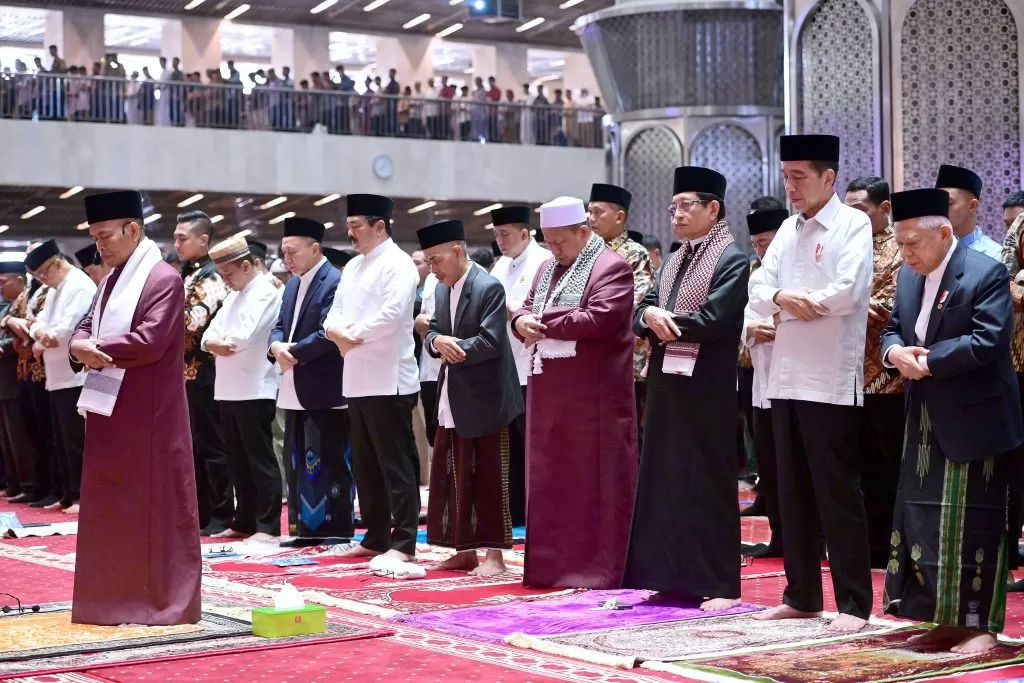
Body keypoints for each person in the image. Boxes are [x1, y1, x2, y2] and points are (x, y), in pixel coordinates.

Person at [881, 188, 1023, 654]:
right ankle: (940, 618)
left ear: (944, 233)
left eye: (913, 243)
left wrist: (929, 361)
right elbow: (893, 327)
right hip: (922, 417)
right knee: (923, 522)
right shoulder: (907, 275)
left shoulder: (985, 272)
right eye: (899, 243)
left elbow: (989, 339)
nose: (905, 253)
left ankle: (980, 625)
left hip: (975, 418)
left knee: (974, 524)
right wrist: (893, 351)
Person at [748, 134, 874, 633]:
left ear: (829, 177)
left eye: (799, 177)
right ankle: (801, 594)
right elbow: (760, 287)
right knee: (790, 491)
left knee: (836, 491)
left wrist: (796, 303)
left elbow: (849, 289)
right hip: (784, 376)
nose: (791, 187)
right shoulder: (785, 229)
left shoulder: (853, 223)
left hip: (829, 380)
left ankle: (853, 604)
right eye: (786, 177)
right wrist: (784, 296)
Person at [69, 189, 201, 625]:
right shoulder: (110, 282)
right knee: (113, 506)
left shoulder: (164, 279)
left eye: (105, 235)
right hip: (111, 410)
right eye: (95, 237)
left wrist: (92, 348)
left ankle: (158, 601)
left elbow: (149, 342)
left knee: (154, 507)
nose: (99, 245)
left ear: (133, 229)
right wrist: (78, 344)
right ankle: (111, 598)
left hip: (151, 416)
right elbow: (86, 325)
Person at [624, 166, 749, 608]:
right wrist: (649, 318)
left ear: (713, 209)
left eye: (686, 206)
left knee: (708, 479)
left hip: (706, 386)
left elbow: (716, 320)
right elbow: (644, 308)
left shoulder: (732, 258)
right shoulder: (676, 257)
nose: (676, 214)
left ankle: (719, 583)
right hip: (666, 381)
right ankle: (669, 575)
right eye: (673, 206)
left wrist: (663, 321)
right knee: (665, 476)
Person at [511, 196, 637, 589]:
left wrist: (540, 321)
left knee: (590, 481)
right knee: (549, 481)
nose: (554, 250)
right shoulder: (547, 268)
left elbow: (599, 319)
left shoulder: (611, 267)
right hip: (549, 394)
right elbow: (524, 309)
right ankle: (551, 569)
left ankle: (594, 571)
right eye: (548, 242)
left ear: (584, 232)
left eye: (560, 242)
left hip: (593, 401)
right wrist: (520, 322)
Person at [418, 219, 523, 576]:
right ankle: (463, 551)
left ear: (457, 252)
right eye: (428, 261)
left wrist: (451, 345)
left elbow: (492, 341)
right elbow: (432, 333)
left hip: (487, 396)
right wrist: (435, 341)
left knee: (489, 474)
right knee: (452, 474)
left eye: (436, 260)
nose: (432, 268)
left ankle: (495, 556)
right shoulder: (440, 288)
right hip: (453, 392)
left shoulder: (488, 287)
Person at [326, 194, 421, 562]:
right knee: (365, 464)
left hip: (389, 377)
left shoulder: (398, 264)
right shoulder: (351, 267)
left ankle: (405, 541)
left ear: (379, 226)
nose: (350, 233)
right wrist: (336, 332)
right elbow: (332, 313)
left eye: (355, 226)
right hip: (356, 375)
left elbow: (394, 314)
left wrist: (351, 335)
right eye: (348, 226)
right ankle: (376, 535)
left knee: (395, 463)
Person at [268, 216, 352, 547]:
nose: (287, 260)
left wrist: (295, 353)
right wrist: (276, 347)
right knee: (297, 460)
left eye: (292, 252)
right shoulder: (291, 284)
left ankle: (335, 527)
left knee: (329, 460)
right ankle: (305, 529)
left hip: (324, 383)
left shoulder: (334, 281)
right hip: (292, 383)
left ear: (314, 248)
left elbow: (329, 331)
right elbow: (279, 325)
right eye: (284, 252)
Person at [202, 235, 283, 540]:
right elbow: (209, 334)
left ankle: (267, 525)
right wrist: (214, 342)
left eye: (229, 274)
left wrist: (220, 342)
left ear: (247, 265)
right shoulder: (234, 295)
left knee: (258, 459)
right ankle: (244, 520)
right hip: (229, 387)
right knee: (237, 460)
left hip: (254, 385)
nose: (226, 281)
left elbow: (244, 335)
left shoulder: (265, 292)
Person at [844, 176, 905, 569]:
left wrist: (841, 304)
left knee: (893, 466)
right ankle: (872, 547)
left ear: (884, 209)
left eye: (860, 209)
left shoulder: (901, 249)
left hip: (889, 378)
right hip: (846, 375)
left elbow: (888, 309)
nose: (851, 216)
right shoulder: (843, 247)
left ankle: (900, 547)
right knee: (860, 468)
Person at [487, 205, 549, 527]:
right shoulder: (502, 265)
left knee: (531, 444)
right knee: (508, 445)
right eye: (496, 235)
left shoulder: (542, 261)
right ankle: (515, 511)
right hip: (506, 369)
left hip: (531, 367)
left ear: (525, 233)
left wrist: (512, 310)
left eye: (505, 234)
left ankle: (537, 512)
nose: (500, 240)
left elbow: (536, 311)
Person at [26, 240, 96, 515]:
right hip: (55, 376)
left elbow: (64, 331)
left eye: (44, 273)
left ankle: (81, 495)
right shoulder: (54, 289)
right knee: (60, 439)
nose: (43, 280)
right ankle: (67, 493)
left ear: (56, 263)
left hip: (75, 376)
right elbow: (40, 325)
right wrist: (42, 335)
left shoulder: (78, 285)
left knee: (77, 441)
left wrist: (43, 337)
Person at [175, 210, 232, 535]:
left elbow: (192, 320)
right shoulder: (189, 275)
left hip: (206, 371)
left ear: (204, 240)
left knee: (212, 446)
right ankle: (202, 512)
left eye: (183, 238)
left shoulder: (211, 277)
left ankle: (221, 515)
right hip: (185, 373)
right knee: (194, 446)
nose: (177, 243)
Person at [587, 183, 655, 447]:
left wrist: (592, 312)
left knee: (628, 432)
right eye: (589, 212)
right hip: (592, 355)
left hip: (627, 360)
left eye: (598, 212)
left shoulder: (634, 253)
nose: (591, 219)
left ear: (619, 216)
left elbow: (632, 303)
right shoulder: (585, 253)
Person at [740, 207, 790, 558]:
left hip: (795, 385)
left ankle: (809, 540)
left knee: (794, 470)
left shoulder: (796, 268)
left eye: (766, 242)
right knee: (770, 469)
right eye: (755, 243)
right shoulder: (755, 273)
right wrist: (748, 330)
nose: (760, 250)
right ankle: (780, 538)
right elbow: (742, 318)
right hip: (760, 382)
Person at [0, 263, 36, 502]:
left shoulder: (26, 303)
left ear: (20, 280)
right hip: (5, 380)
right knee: (6, 437)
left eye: (4, 282)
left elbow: (26, 337)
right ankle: (14, 483)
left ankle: (28, 484)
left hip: (17, 376)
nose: (0, 287)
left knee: (19, 435)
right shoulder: (8, 308)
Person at [936, 164, 1001, 264]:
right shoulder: (929, 249)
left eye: (948, 203)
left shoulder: (994, 256)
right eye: (937, 203)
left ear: (972, 206)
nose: (940, 209)